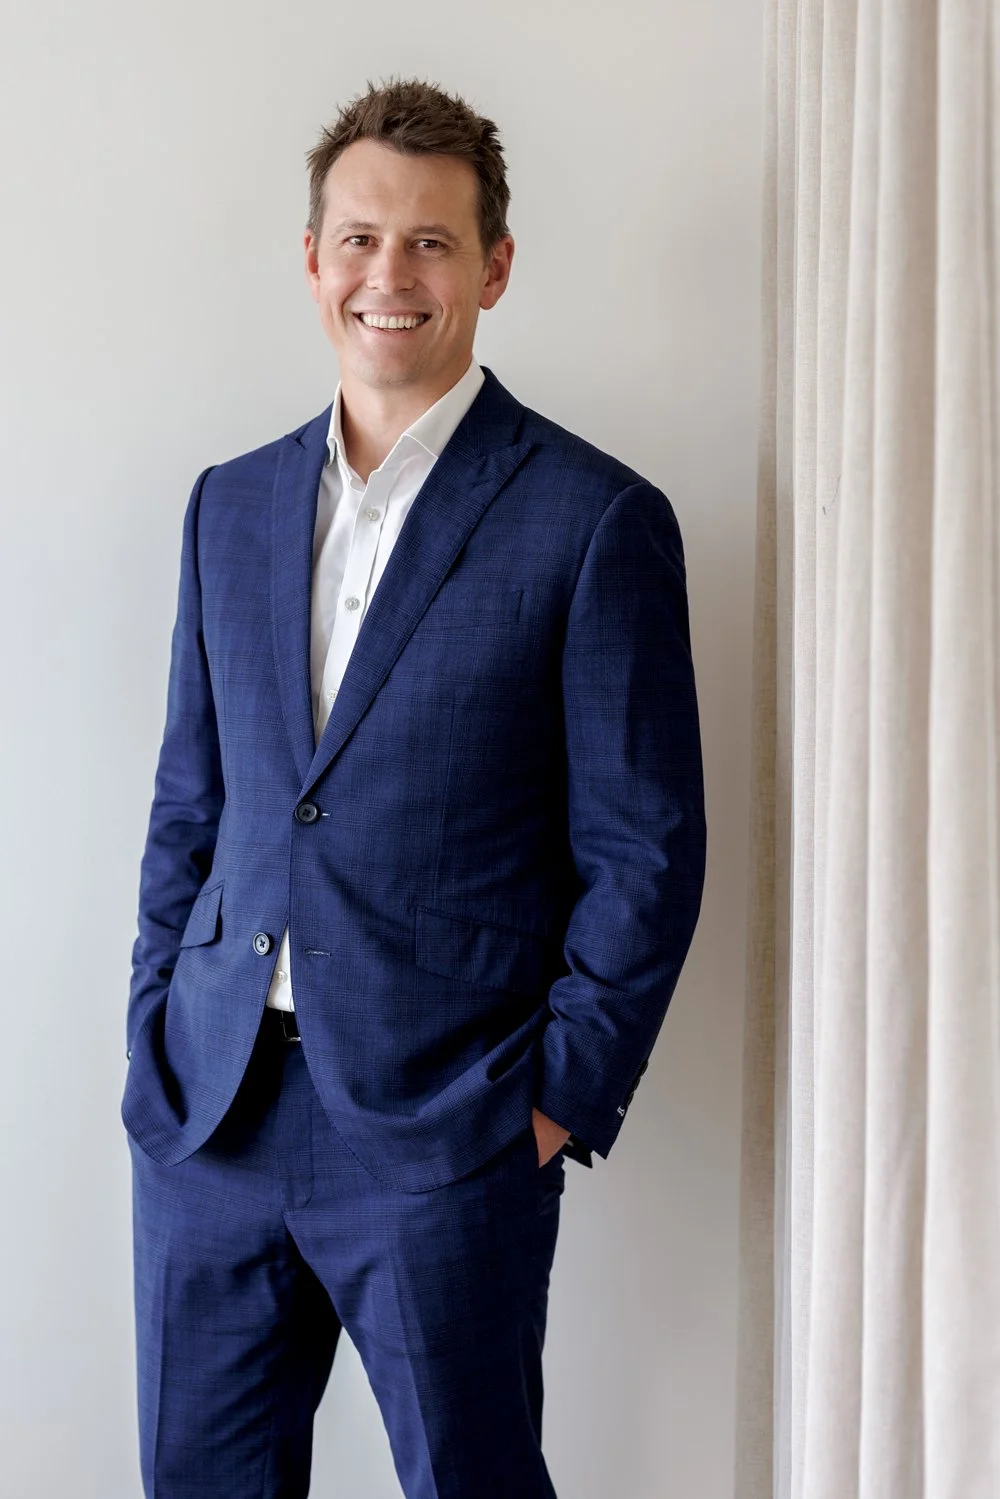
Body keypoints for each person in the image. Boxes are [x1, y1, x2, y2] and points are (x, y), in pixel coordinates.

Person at [121, 75, 707, 1499]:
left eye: (432, 242)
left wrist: (554, 1102)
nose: (391, 275)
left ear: (493, 268)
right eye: (362, 239)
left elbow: (646, 848)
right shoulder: (227, 504)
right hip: (211, 1112)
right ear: (313, 259)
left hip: (451, 1128)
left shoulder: (594, 518)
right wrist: (153, 1020)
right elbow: (193, 803)